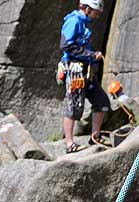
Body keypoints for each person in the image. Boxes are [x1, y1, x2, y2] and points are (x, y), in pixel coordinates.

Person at [59, 0, 112, 154]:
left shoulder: (84, 24)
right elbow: (66, 45)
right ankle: (69, 144)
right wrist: (90, 54)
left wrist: (93, 54)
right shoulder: (73, 21)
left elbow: (82, 45)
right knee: (74, 105)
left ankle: (94, 136)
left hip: (86, 70)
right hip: (74, 69)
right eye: (96, 12)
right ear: (88, 8)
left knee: (101, 101)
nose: (98, 15)